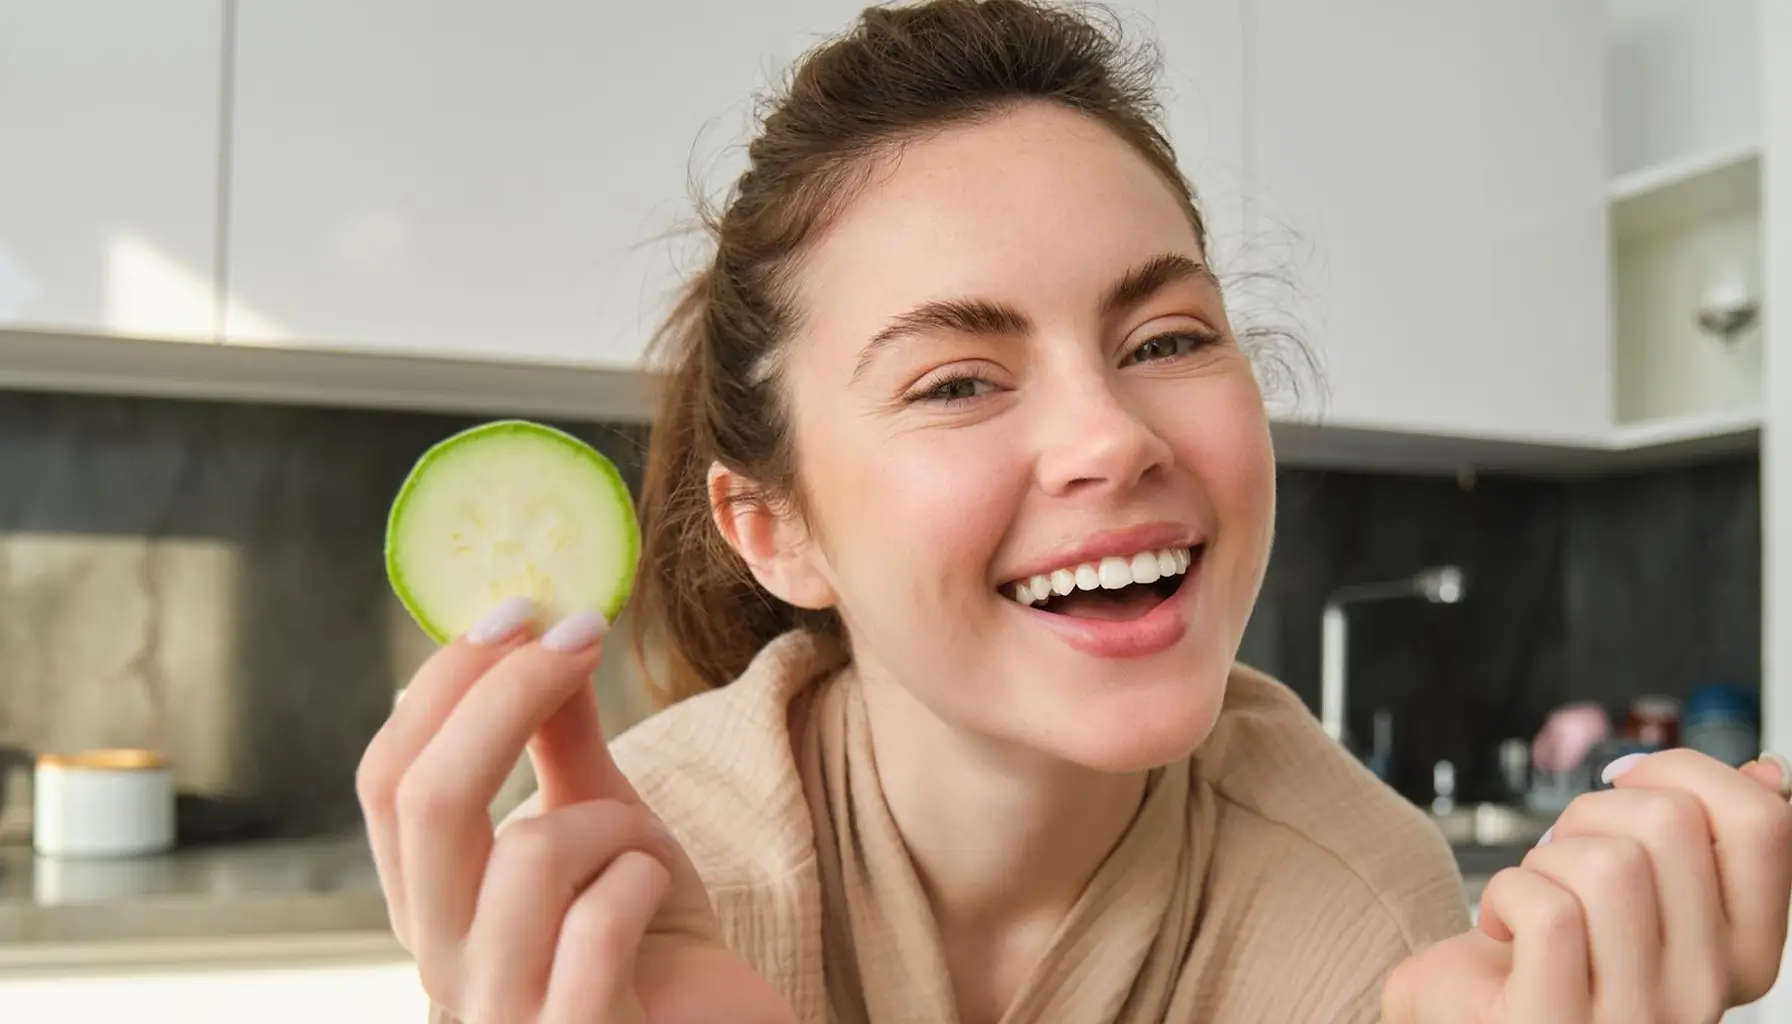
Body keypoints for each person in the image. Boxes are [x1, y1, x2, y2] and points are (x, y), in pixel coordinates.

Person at [355, 2, 1792, 1021]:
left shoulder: (1354, 897)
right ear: (772, 529)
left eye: (1166, 341)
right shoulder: (641, 891)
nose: (1111, 437)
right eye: (957, 381)